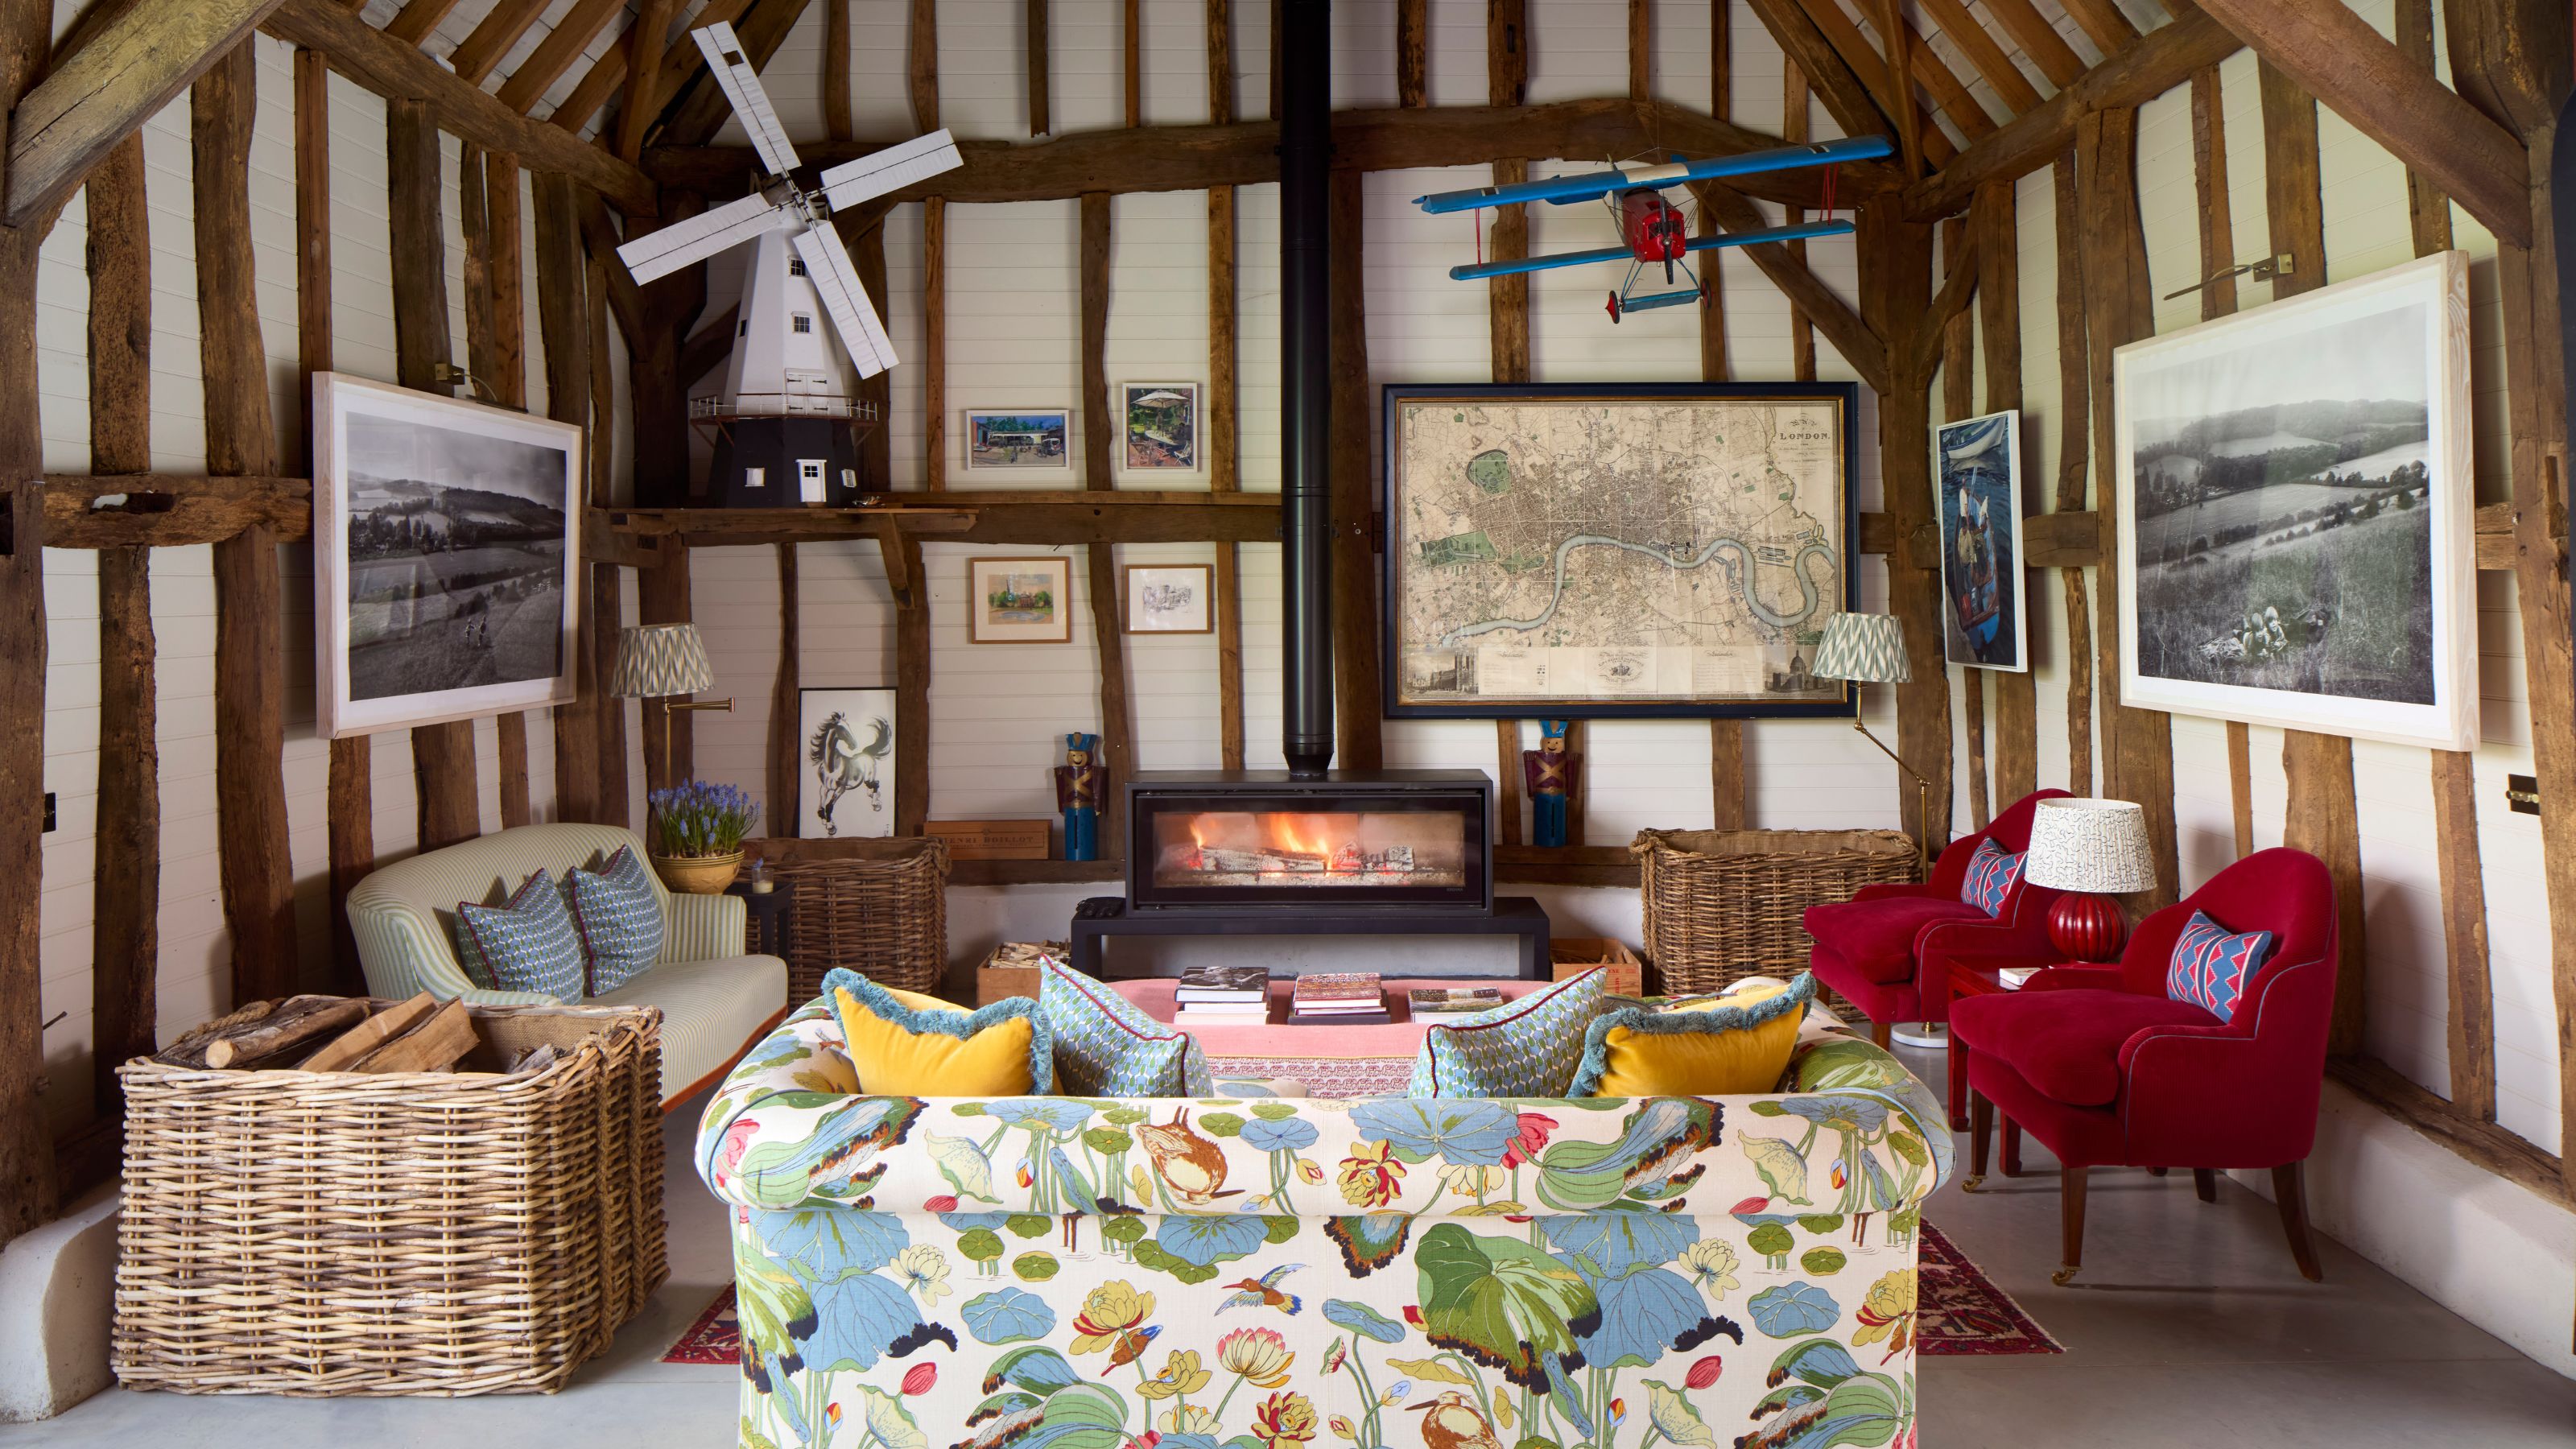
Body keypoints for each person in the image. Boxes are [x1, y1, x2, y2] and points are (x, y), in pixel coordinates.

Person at [1055, 733, 1104, 862]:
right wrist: (1061, 806)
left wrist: (1097, 807)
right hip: (1070, 809)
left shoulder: (1095, 772)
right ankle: (1073, 859)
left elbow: (1098, 788)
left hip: (1087, 808)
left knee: (1085, 834)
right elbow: (1060, 788)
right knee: (1072, 835)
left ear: (1087, 755)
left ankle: (1086, 858)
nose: (1077, 758)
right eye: (1074, 755)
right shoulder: (1063, 771)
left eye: (1080, 755)